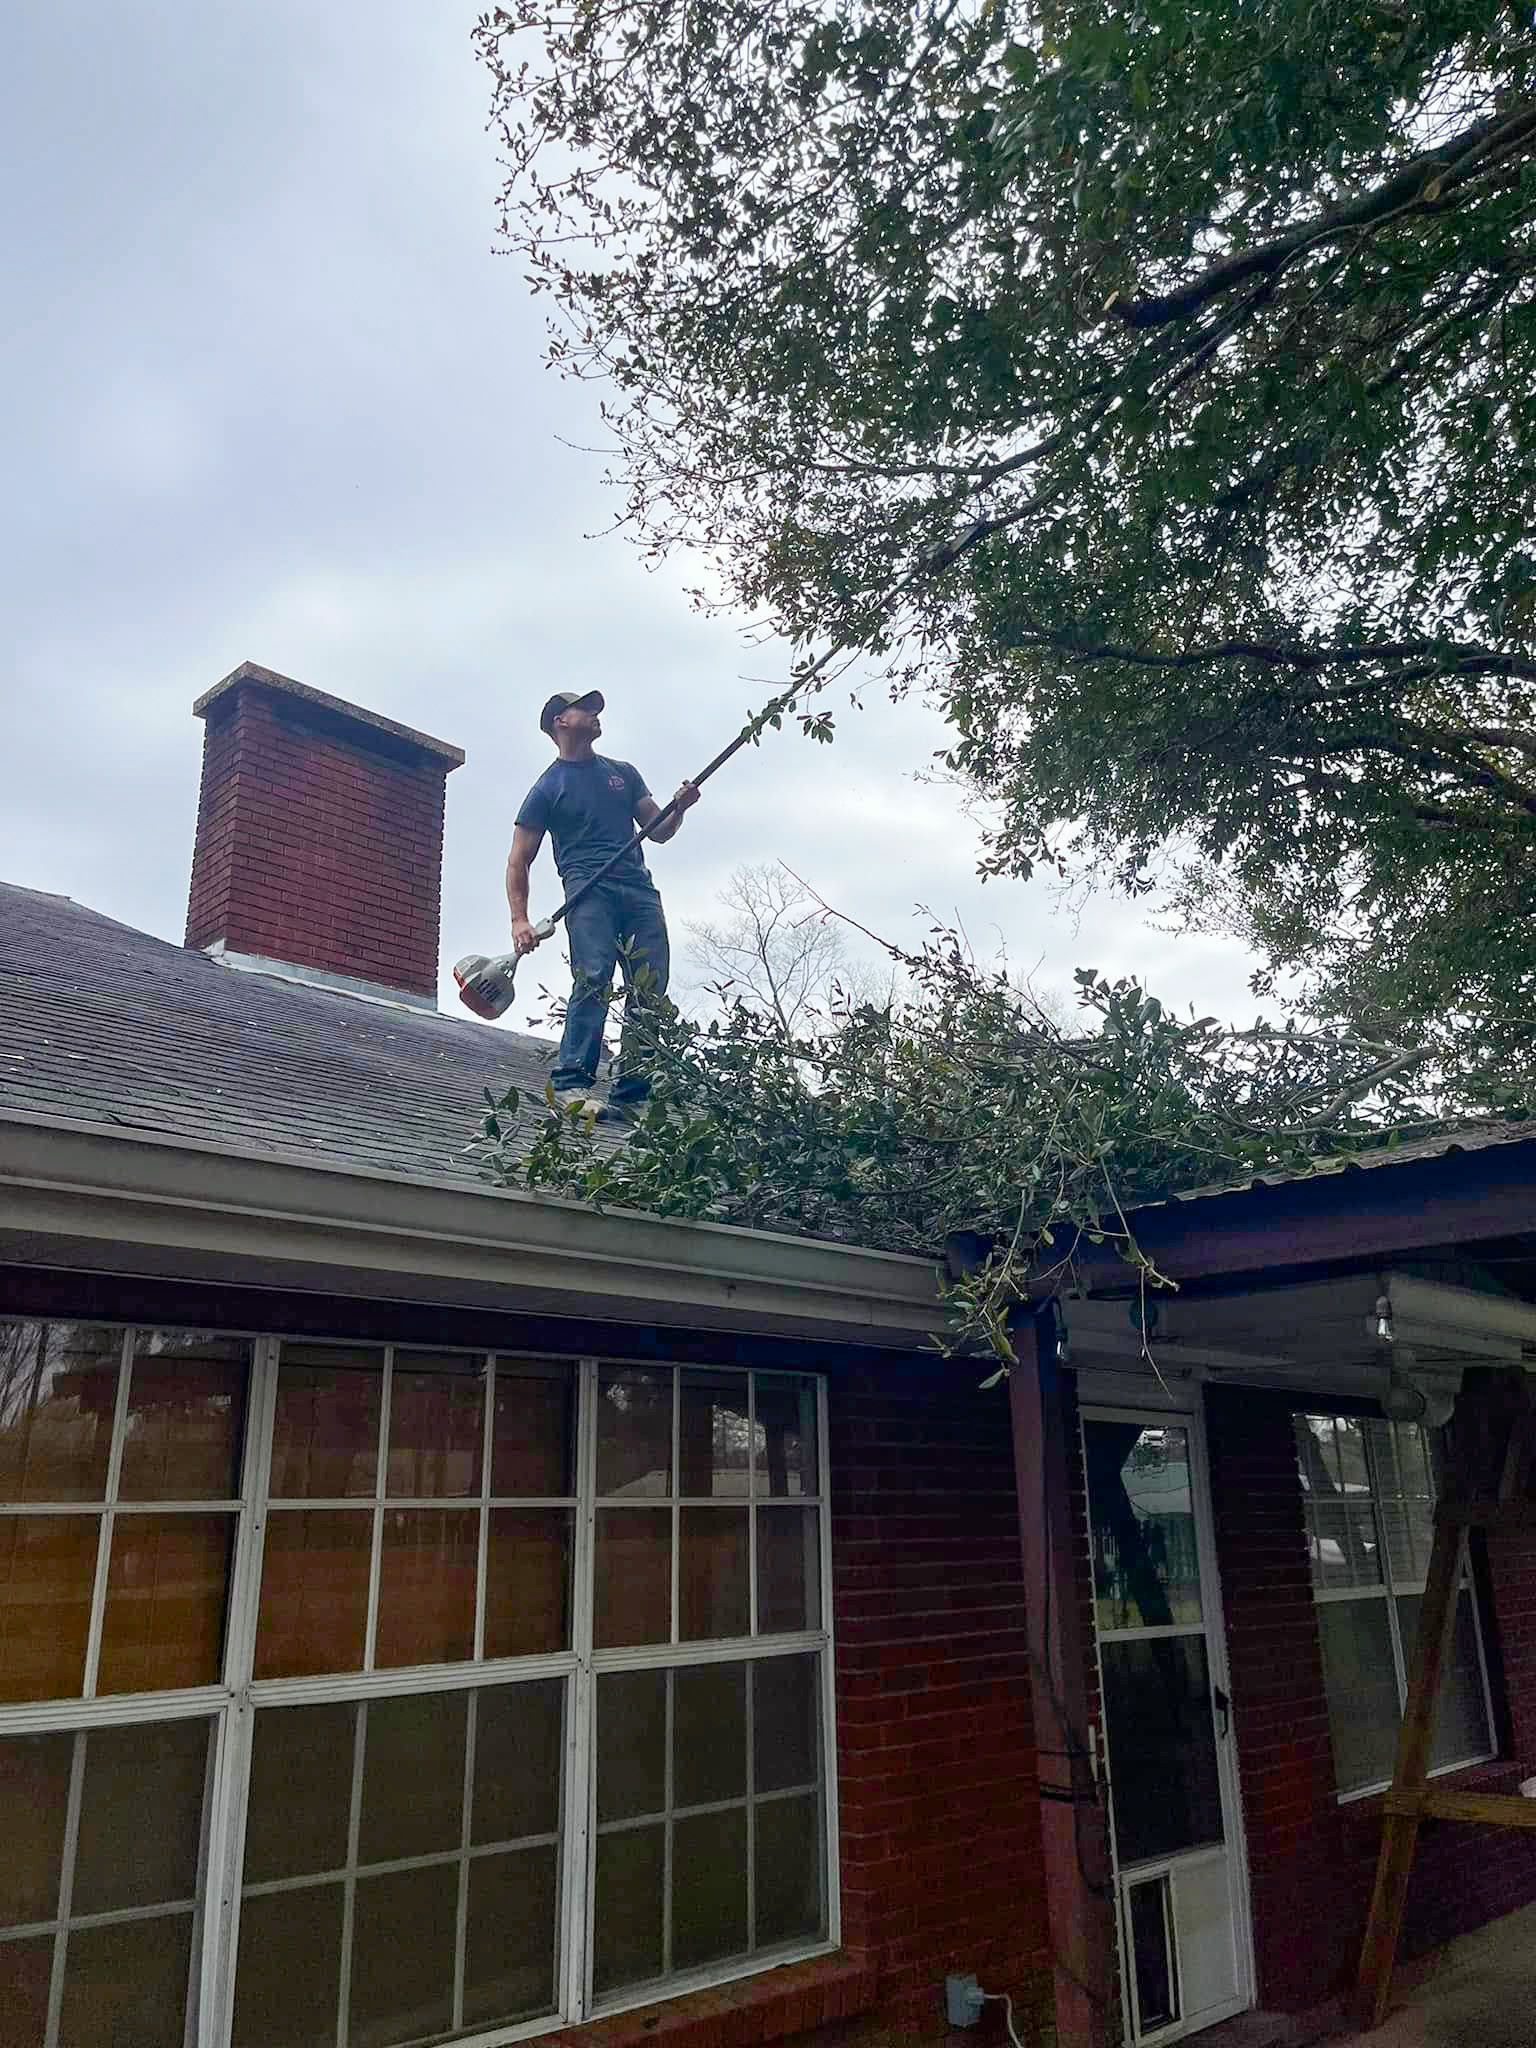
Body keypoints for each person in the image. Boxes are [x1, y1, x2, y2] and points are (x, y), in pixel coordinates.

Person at [507, 690, 700, 1117]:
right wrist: (520, 920)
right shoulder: (547, 788)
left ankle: (634, 1093)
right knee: (594, 977)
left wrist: (680, 808)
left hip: (638, 891)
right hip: (588, 891)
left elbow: (659, 830)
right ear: (560, 721)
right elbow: (519, 859)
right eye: (585, 709)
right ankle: (572, 1082)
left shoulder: (623, 773)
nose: (595, 716)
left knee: (649, 984)